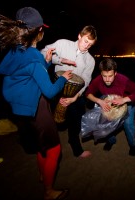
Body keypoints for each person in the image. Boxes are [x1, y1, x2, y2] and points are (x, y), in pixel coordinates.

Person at [0, 7, 72, 200]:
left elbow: (28, 73)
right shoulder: (33, 58)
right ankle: (49, 192)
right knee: (54, 149)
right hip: (35, 108)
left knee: (41, 146)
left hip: (19, 110)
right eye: (43, 29)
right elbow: (49, 90)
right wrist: (63, 78)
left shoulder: (15, 51)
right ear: (38, 32)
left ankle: (44, 176)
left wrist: (46, 63)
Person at [41, 25, 97, 158]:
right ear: (79, 36)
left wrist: (74, 98)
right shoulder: (62, 44)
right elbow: (43, 53)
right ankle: (46, 151)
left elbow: (85, 81)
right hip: (56, 89)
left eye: (90, 44)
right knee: (52, 121)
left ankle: (76, 147)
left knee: (77, 120)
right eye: (85, 41)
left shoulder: (90, 60)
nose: (87, 46)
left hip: (75, 94)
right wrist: (60, 60)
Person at [85, 58, 135, 156]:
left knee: (128, 125)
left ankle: (133, 145)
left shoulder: (123, 80)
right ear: (101, 74)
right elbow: (88, 93)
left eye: (110, 76)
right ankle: (111, 141)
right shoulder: (98, 80)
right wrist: (100, 101)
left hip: (126, 103)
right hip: (110, 104)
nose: (107, 79)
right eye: (104, 76)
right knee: (106, 123)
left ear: (115, 73)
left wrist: (124, 100)